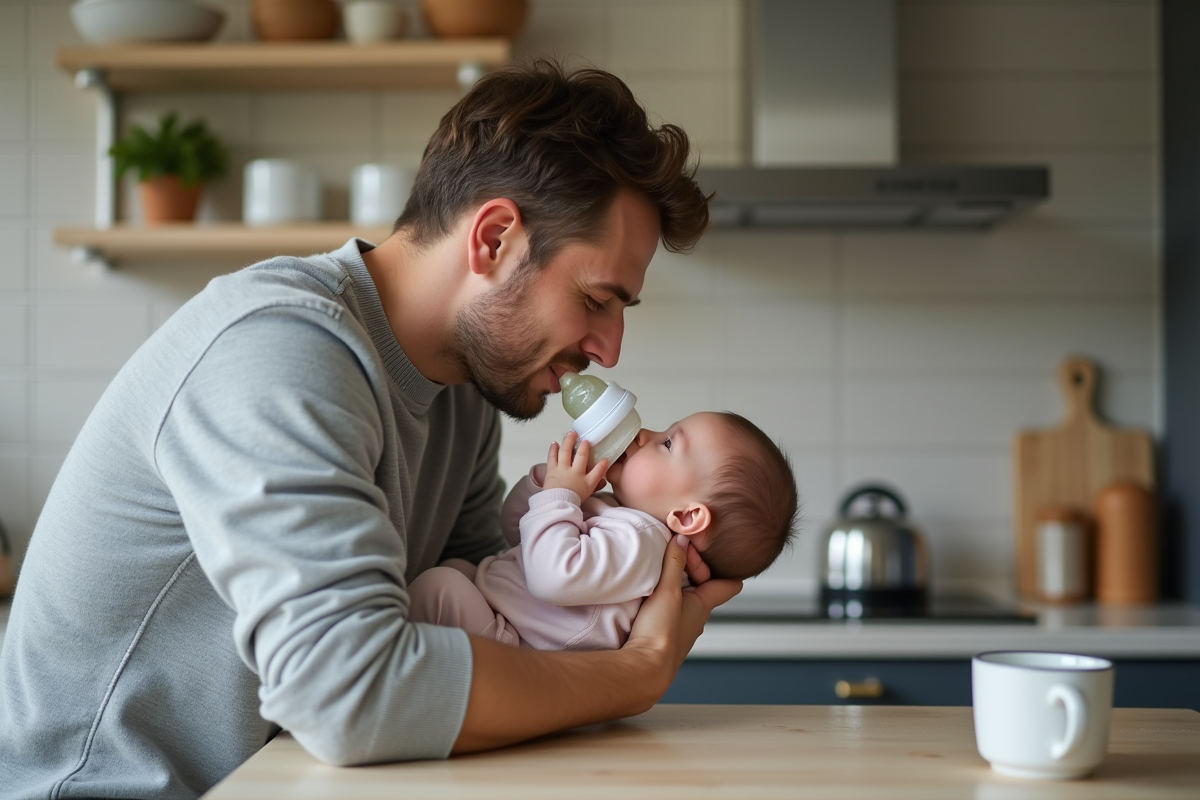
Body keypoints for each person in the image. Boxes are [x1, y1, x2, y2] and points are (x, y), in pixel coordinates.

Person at [0, 60, 740, 799]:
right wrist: (633, 673)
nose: (609, 351)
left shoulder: (464, 392)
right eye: (596, 298)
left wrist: (622, 586)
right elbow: (352, 698)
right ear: (494, 240)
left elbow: (481, 634)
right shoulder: (279, 348)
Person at [410, 415, 798, 650]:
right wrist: (552, 487)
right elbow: (518, 532)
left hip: (516, 651)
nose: (644, 433)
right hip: (499, 613)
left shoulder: (641, 544)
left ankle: (384, 669)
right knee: (457, 571)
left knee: (440, 586)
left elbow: (552, 576)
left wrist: (562, 496)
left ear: (687, 516)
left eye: (666, 443)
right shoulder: (621, 514)